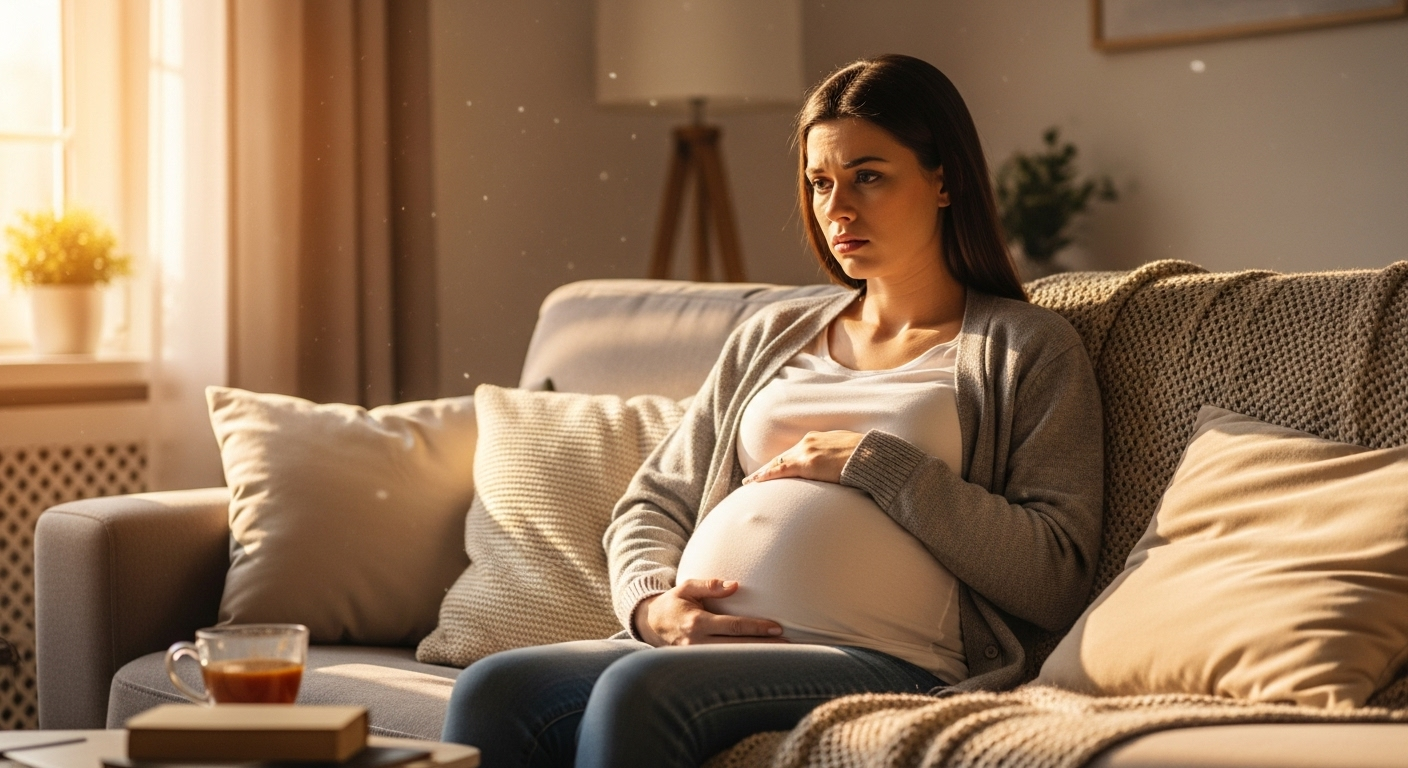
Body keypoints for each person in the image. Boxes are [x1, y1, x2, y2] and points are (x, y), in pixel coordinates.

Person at [440, 53, 1104, 768]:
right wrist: (650, 607)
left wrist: (874, 464)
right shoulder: (772, 332)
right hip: (690, 650)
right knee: (494, 688)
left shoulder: (1025, 347)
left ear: (944, 181)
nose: (837, 208)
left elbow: (1055, 572)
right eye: (821, 183)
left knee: (644, 689)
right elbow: (654, 500)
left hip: (887, 659)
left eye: (868, 176)